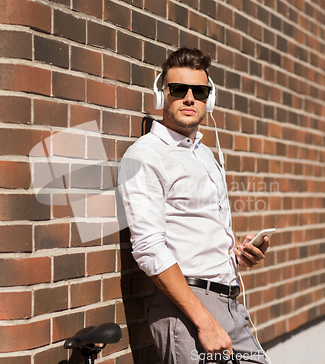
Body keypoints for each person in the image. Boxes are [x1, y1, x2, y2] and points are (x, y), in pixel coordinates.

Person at [118, 48, 270, 364]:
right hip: (188, 310)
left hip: (229, 303)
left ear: (208, 100)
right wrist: (204, 321)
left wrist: (237, 254)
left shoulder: (205, 155)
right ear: (162, 95)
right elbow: (148, 248)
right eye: (178, 89)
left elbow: (197, 230)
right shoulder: (145, 155)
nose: (190, 98)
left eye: (199, 91)